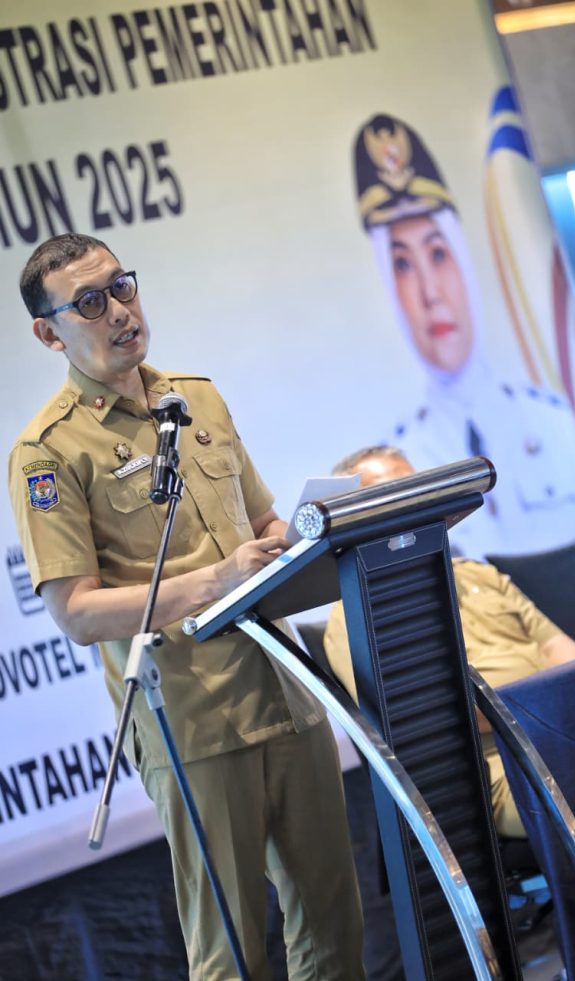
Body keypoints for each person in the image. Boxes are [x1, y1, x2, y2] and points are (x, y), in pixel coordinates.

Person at [8, 233, 365, 980]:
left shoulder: (195, 397)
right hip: (193, 721)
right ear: (49, 333)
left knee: (334, 930)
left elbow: (262, 523)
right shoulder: (48, 451)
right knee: (232, 954)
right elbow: (77, 613)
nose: (119, 311)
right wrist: (215, 581)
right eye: (90, 303)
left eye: (122, 286)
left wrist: (323, 527)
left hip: (285, 689)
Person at [352, 114, 575, 560]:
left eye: (438, 253)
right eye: (403, 265)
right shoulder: (393, 468)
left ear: (464, 261)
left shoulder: (558, 420)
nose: (430, 293)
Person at [323, 445, 575, 838]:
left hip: (572, 736)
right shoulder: (355, 616)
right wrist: (557, 710)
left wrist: (572, 709)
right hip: (506, 772)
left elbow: (561, 650)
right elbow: (434, 722)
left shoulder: (478, 574)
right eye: (390, 493)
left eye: (417, 488)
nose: (412, 503)